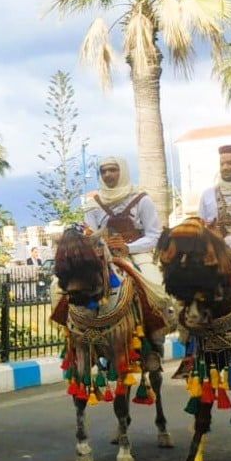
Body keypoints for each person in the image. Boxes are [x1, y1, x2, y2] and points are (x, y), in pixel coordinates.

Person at [82, 155, 170, 371]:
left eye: (112, 170)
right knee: (66, 287)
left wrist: (128, 248)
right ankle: (84, 341)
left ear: (122, 171)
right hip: (103, 256)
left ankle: (155, 343)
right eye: (103, 171)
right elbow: (90, 234)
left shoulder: (141, 199)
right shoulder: (92, 204)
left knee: (156, 286)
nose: (108, 175)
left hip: (135, 254)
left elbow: (154, 235)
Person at [196, 144, 231, 249]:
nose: (225, 167)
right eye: (222, 164)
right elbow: (199, 227)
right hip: (216, 256)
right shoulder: (207, 194)